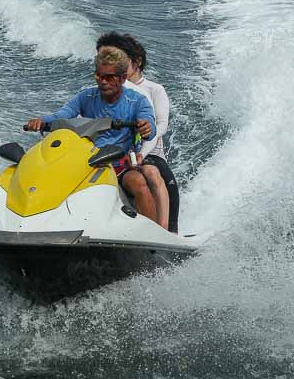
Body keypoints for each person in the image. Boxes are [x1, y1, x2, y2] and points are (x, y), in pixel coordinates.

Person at [25, 47, 158, 222]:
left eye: (109, 77)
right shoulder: (85, 97)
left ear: (123, 78)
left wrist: (146, 127)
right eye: (99, 76)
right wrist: (41, 122)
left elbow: (149, 124)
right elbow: (61, 116)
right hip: (85, 164)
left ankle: (149, 237)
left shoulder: (137, 101)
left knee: (139, 184)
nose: (102, 81)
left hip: (118, 167)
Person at [95, 31, 179, 233]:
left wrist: (142, 153)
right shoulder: (103, 90)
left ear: (136, 62)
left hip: (149, 152)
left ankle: (167, 231)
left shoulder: (153, 89)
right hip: (115, 152)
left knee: (151, 171)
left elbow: (161, 126)